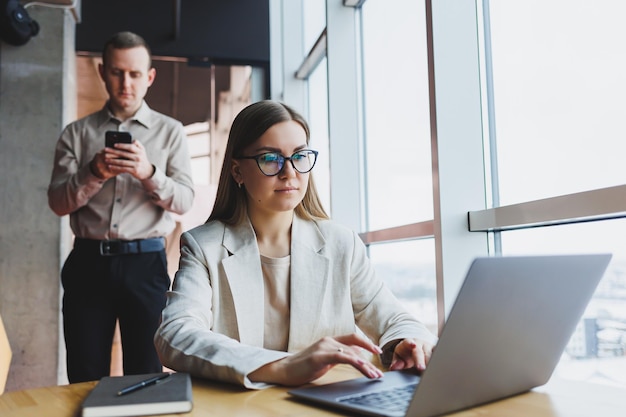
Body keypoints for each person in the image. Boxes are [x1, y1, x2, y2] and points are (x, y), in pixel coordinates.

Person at [154, 100, 437, 389]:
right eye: (270, 159)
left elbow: (396, 319)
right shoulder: (204, 246)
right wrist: (284, 366)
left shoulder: (341, 244)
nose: (289, 172)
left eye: (299, 156)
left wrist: (408, 343)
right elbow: (175, 334)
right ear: (238, 171)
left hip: (325, 402)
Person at [47, 31, 194, 383]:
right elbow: (57, 203)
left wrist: (148, 173)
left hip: (146, 265)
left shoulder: (171, 132)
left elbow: (185, 201)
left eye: (134, 74)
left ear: (150, 77)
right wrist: (93, 172)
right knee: (84, 373)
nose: (125, 83)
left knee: (145, 371)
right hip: (87, 263)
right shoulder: (76, 134)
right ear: (102, 72)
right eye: (116, 72)